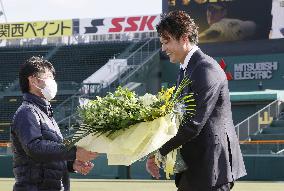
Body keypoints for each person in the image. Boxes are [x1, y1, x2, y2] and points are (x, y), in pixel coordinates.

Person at [146, 11, 246, 191]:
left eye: (166, 41)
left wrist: (159, 151)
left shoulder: (204, 68)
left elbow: (193, 123)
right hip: (199, 168)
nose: (163, 48)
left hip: (212, 169)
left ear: (184, 38)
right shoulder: (187, 69)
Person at [11, 56, 98, 191]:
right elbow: (35, 148)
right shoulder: (27, 112)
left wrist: (71, 164)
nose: (53, 82)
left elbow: (48, 156)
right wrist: (74, 152)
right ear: (33, 80)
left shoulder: (45, 113)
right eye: (49, 76)